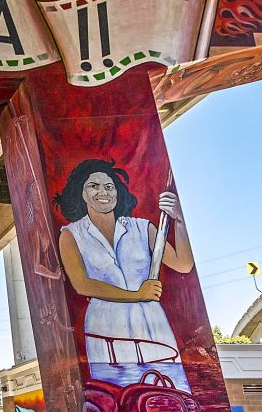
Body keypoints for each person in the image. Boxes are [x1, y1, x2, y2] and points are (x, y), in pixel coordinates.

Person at [55, 158, 194, 389]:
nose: (103, 192)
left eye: (109, 186)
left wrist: (178, 219)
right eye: (94, 185)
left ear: (117, 192)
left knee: (169, 394)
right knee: (118, 401)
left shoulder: (141, 227)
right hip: (106, 328)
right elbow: (82, 284)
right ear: (81, 192)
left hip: (151, 325)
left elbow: (183, 264)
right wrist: (137, 295)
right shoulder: (71, 235)